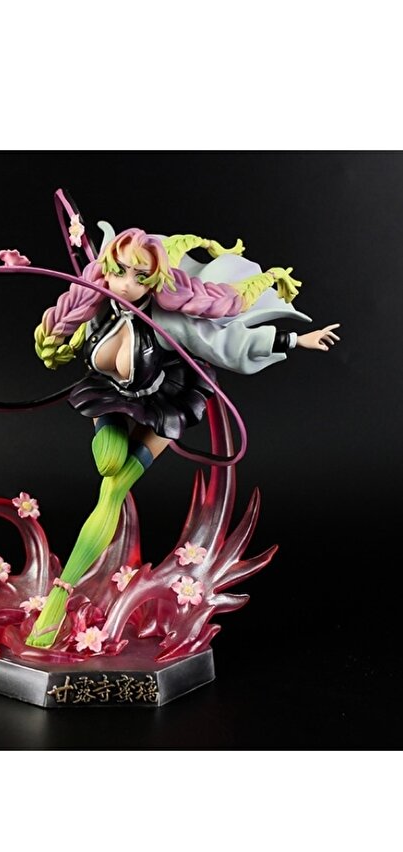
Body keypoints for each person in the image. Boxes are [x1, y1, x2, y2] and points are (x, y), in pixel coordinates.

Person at [25, 225, 340, 647]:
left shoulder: (169, 321)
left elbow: (230, 342)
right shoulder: (97, 308)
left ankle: (57, 602)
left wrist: (296, 339)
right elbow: (54, 349)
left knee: (113, 489)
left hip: (165, 402)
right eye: (120, 272)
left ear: (155, 280)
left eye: (140, 277)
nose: (127, 284)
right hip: (109, 396)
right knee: (108, 462)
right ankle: (65, 593)